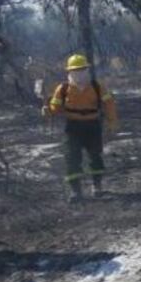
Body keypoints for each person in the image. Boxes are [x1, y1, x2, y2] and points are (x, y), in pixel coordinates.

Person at [44, 54, 118, 202]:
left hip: (93, 126)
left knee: (95, 156)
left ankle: (97, 187)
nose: (79, 73)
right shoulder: (63, 88)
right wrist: (48, 110)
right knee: (72, 158)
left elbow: (109, 104)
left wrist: (112, 122)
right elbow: (55, 107)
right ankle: (75, 191)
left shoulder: (97, 87)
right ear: (69, 72)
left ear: (87, 70)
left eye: (82, 70)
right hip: (73, 127)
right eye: (75, 70)